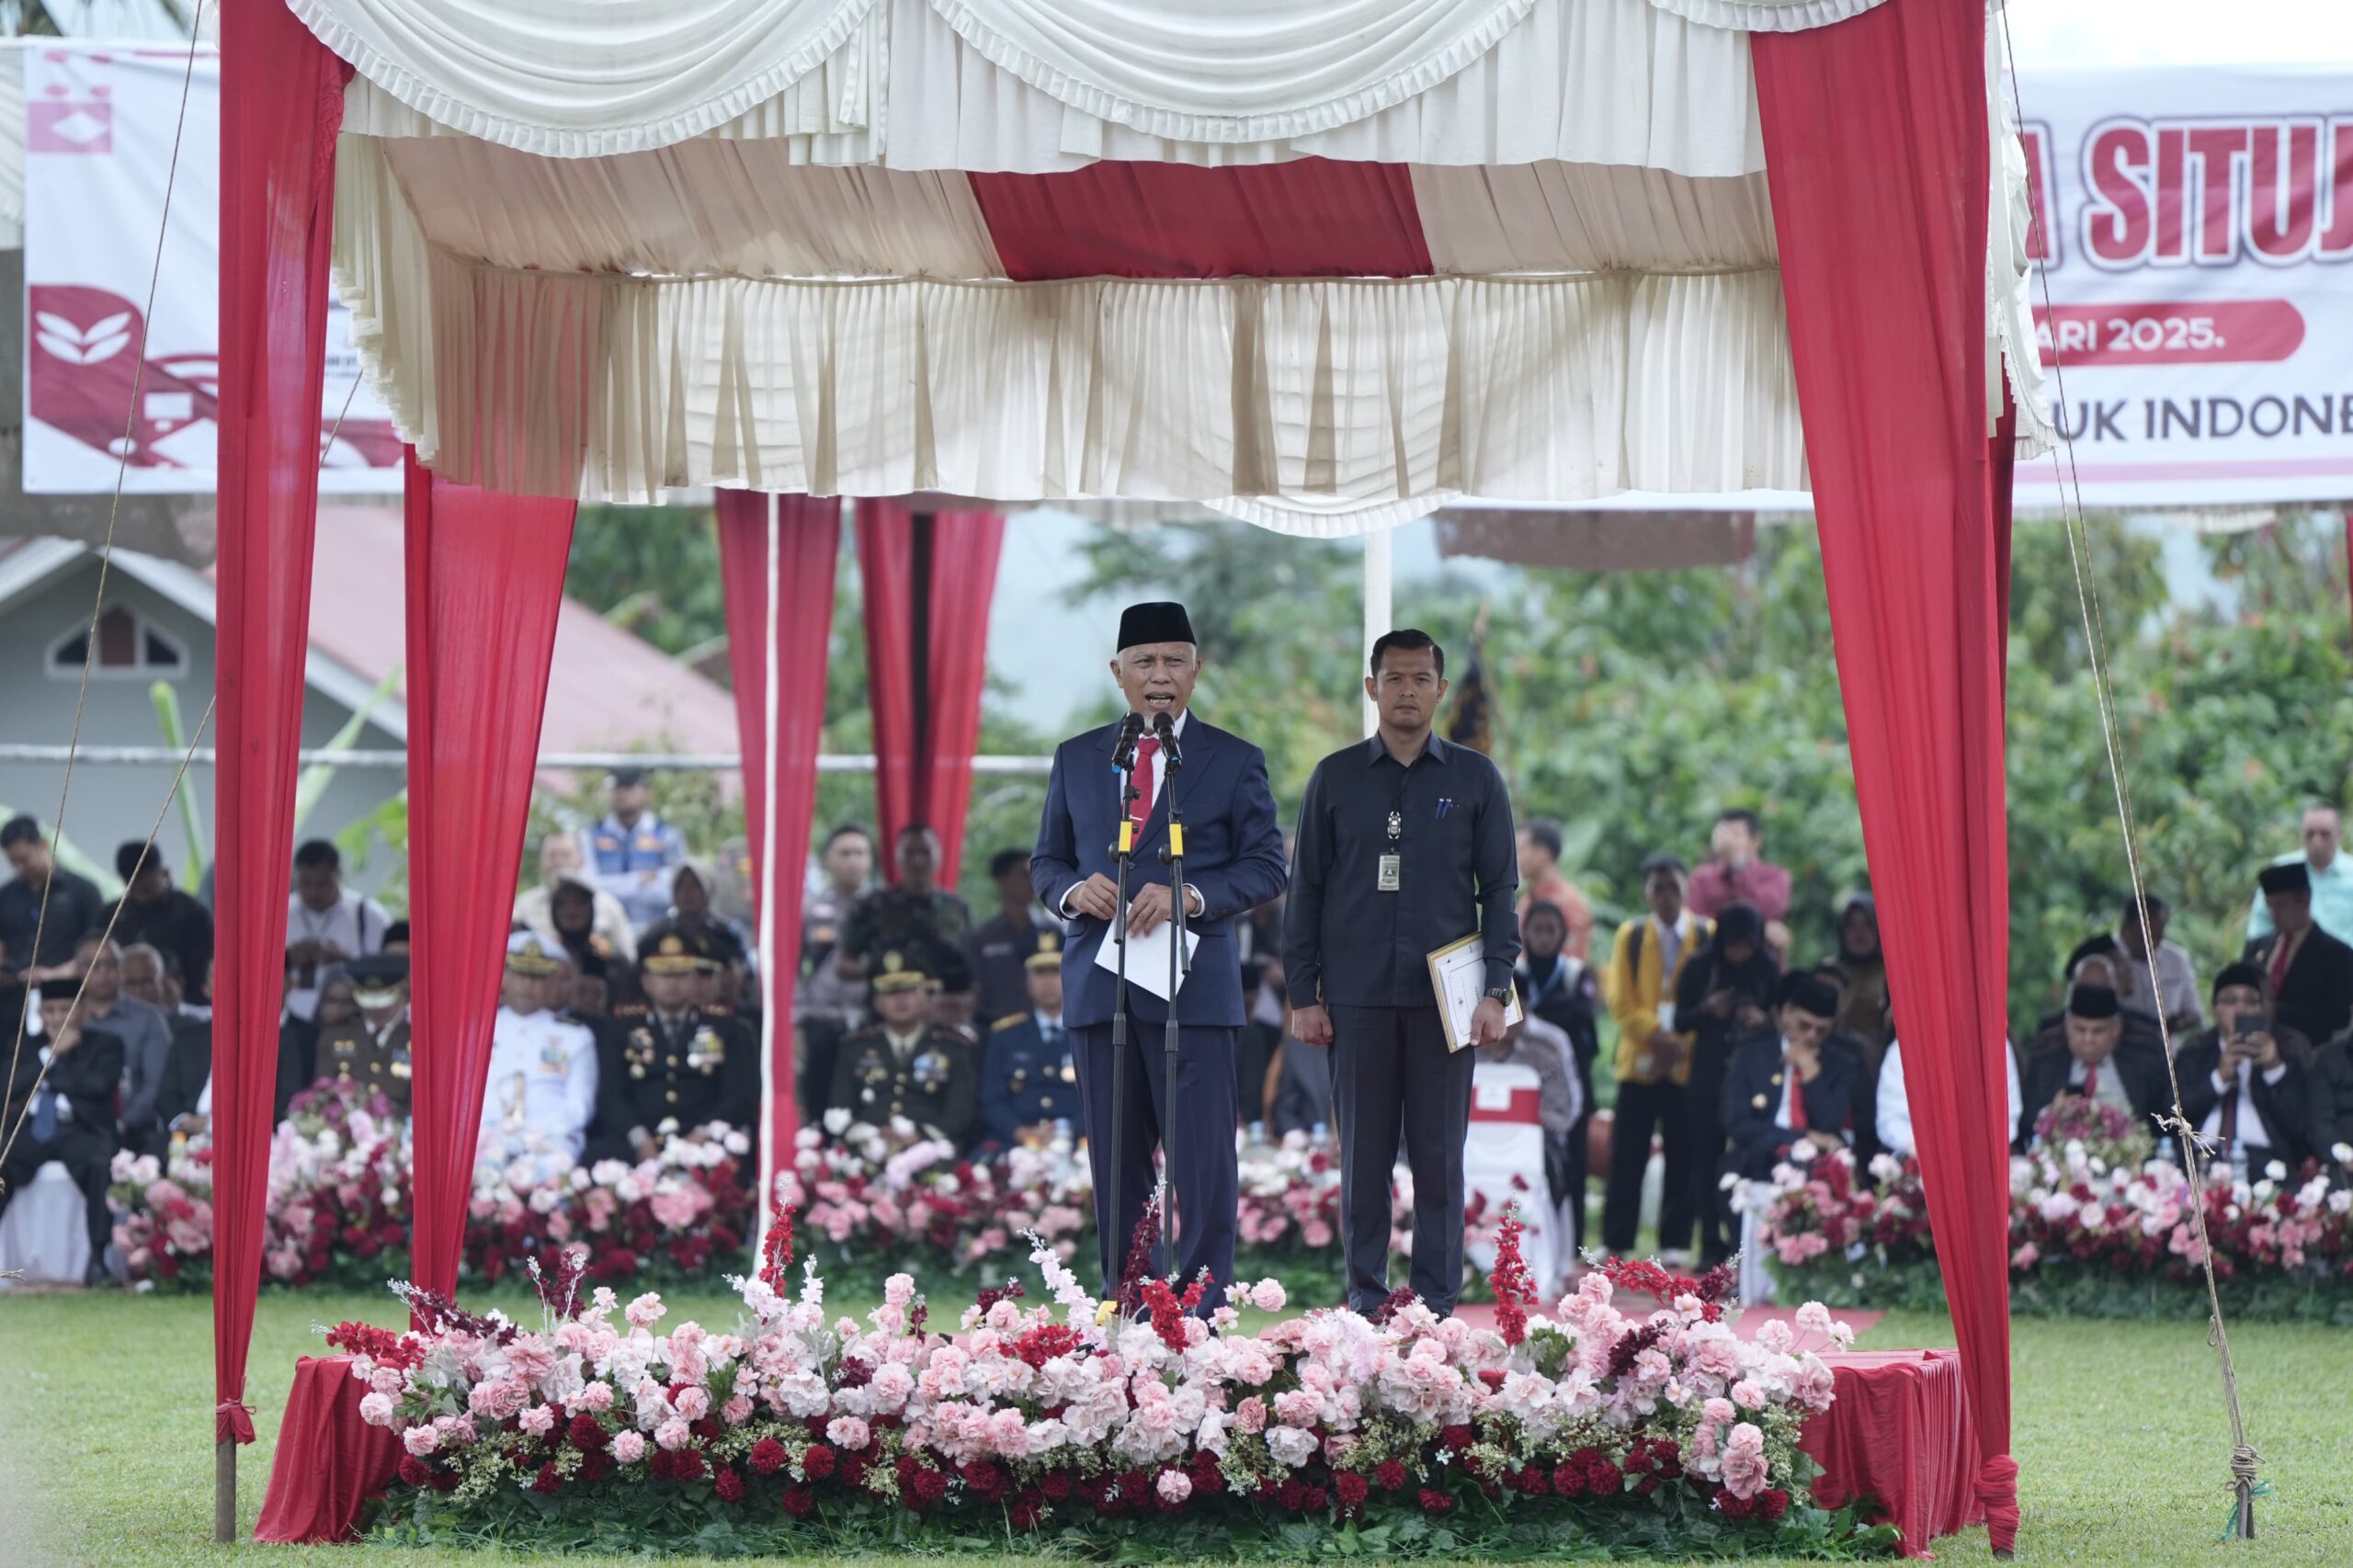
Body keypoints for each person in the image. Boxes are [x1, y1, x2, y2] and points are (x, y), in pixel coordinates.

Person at [1036, 599, 1287, 1301]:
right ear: (1117, 672)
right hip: (1099, 987)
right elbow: (1044, 863)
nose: (1160, 675)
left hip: (1194, 992)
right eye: (1144, 662)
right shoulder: (1078, 758)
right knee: (1117, 1165)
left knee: (1204, 1161)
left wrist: (1191, 896)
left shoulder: (1234, 761)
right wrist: (1071, 891)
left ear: (1198, 671)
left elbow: (1268, 866)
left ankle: (1203, 1308)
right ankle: (1134, 1302)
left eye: (1174, 660)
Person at [1286, 627, 1518, 1317]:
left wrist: (1497, 990)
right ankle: (1365, 1297)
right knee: (1364, 1161)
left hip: (1446, 1004)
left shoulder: (1476, 778)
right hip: (1354, 999)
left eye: (1421, 679)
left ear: (1441, 689)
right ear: (1372, 687)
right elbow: (1307, 891)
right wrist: (1305, 993)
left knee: (1440, 1159)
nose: (1408, 691)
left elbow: (1500, 890)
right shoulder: (1335, 777)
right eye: (1395, 678)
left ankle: (1437, 1304)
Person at [1599, 853, 1710, 1261]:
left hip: (1687, 1062)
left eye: (1672, 886)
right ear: (1646, 892)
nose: (1665, 896)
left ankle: (1676, 1242)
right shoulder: (1630, 936)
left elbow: (1711, 995)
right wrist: (1661, 1037)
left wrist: (1682, 1040)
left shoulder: (1706, 933)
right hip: (1640, 1063)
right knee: (1627, 1154)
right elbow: (1621, 1002)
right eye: (1657, 887)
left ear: (1686, 888)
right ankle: (1617, 1240)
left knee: (1683, 1151)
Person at [1672, 901, 1779, 1267]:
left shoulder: (1766, 967)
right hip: (1708, 1076)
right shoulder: (1701, 965)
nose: (1740, 953)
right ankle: (1709, 1241)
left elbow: (1783, 1018)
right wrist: (1707, 1009)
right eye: (1733, 944)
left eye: (1746, 944)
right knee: (1704, 1160)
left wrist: (1763, 1020)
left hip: (1754, 1077)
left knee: (1751, 1153)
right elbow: (1679, 1020)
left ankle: (1746, 1238)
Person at [1, 980, 126, 1286]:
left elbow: (97, 1085)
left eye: (65, 1010)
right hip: (32, 1132)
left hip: (80, 1129)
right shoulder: (26, 1046)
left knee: (100, 1163)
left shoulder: (107, 1044)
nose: (57, 1018)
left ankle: (97, 1260)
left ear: (82, 1011)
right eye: (50, 1011)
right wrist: (50, 1056)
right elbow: (9, 1088)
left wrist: (61, 1066)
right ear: (40, 1013)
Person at [603, 931, 758, 1157]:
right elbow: (610, 1095)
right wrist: (639, 1138)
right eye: (664, 975)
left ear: (694, 980)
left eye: (680, 974)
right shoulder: (622, 1027)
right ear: (646, 982)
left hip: (706, 1143)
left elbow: (737, 1095)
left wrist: (702, 1134)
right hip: (640, 1143)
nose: (672, 983)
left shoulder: (725, 1026)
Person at [2173, 962, 2329, 1173]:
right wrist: (2219, 1078)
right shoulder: (2194, 1053)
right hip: (2201, 1159)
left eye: (2250, 1001)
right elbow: (2171, 1117)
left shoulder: (2285, 1053)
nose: (2241, 1008)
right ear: (2214, 1012)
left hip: (2266, 1165)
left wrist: (2274, 1070)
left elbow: (2300, 1128)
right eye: (2230, 1000)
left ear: (2261, 1011)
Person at [1514, 900, 1601, 1250]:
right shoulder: (1513, 974)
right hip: (1519, 1084)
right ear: (1526, 933)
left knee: (1573, 1166)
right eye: (1538, 929)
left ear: (1563, 934)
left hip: (1569, 1085)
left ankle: (1573, 1245)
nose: (1545, 937)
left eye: (1552, 930)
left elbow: (1589, 1030)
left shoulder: (1576, 973)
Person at [478, 933, 599, 1177]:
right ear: (504, 977)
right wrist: (495, 1134)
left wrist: (533, 1135)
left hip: (550, 1139)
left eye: (536, 977)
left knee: (551, 1171)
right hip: (486, 1135)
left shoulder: (575, 1036)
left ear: (550, 983)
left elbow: (580, 1106)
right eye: (520, 975)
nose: (527, 985)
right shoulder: (478, 1030)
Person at [1719, 972, 1859, 1183]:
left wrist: (1810, 1070)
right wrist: (1800, 1137)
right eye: (1804, 1026)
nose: (1811, 1036)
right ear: (1786, 1014)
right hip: (1761, 1158)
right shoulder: (1751, 1056)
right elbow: (1736, 1123)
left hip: (1817, 1165)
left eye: (1821, 1031)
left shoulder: (1841, 1063)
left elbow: (1830, 1123)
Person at [825, 958, 980, 1147]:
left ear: (925, 996)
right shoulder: (854, 1048)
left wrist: (921, 1135)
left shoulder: (954, 1047)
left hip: (931, 1149)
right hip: (866, 1148)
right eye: (890, 993)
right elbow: (839, 1107)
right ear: (876, 1002)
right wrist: (869, 1135)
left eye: (909, 990)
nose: (900, 999)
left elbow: (960, 1111)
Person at [2017, 984, 2167, 1149]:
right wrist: (2051, 1113)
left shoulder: (2143, 1066)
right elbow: (2023, 1124)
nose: (2088, 1039)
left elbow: (2163, 1124)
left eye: (2098, 1031)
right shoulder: (2044, 1066)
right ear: (2067, 1026)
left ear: (2116, 1030)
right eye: (2080, 1029)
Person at [796, 824, 876, 1119]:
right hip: (822, 1019)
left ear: (870, 860)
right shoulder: (809, 909)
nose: (852, 861)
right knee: (819, 1102)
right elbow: (790, 968)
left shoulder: (881, 907)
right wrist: (797, 1017)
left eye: (860, 853)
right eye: (844, 853)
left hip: (871, 1019)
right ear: (828, 860)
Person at [837, 824, 974, 998]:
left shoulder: (957, 908)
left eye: (925, 852)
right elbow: (844, 965)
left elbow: (973, 963)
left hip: (943, 1009)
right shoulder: (873, 906)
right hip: (888, 1011)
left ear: (938, 857)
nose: (918, 860)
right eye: (910, 853)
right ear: (897, 857)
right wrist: (882, 971)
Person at [69, 935, 175, 1158]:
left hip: (134, 1131)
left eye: (111, 964)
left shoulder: (148, 1019)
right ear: (78, 969)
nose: (103, 973)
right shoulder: (64, 1017)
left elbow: (156, 1085)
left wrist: (122, 1122)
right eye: (93, 965)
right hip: (72, 1130)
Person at [2241, 861, 2353, 1048]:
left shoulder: (2337, 954)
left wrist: (2277, 1011)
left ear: (2305, 901)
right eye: (2270, 905)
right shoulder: (2257, 946)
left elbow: (2337, 1016)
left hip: (2309, 1054)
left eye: (2281, 905)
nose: (2274, 913)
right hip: (2256, 1047)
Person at [978, 942, 1077, 1151]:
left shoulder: (1088, 1035)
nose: (1048, 982)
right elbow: (991, 1099)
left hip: (1078, 1143)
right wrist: (1019, 1132)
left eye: (1055, 972)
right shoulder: (1005, 1035)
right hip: (1015, 1142)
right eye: (1040, 973)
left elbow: (1105, 1099)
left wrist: (1067, 1129)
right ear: (1027, 982)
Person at [1874, 1028, 2024, 1161]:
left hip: (1982, 1163)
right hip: (1920, 1165)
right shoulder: (1902, 1049)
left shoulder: (1995, 1044)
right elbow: (1891, 1121)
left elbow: (2007, 1117)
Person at [284, 839, 390, 1022]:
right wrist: (288, 958)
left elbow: (385, 971)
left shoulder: (368, 915)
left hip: (350, 1018)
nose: (313, 892)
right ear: (295, 877)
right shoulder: (280, 913)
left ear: (337, 875)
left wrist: (343, 960)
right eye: (306, 883)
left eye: (322, 884)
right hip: (290, 1018)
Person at [101, 842, 213, 1005]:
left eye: (145, 881)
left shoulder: (192, 913)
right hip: (124, 1004)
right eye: (132, 881)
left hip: (186, 1003)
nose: (138, 886)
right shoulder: (112, 914)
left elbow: (205, 967)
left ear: (164, 872)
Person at [0, 815, 105, 982]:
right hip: (12, 995)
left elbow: (98, 950)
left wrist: (53, 974)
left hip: (65, 993)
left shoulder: (83, 891)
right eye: (13, 863)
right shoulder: (5, 896)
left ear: (42, 845)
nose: (19, 869)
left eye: (24, 860)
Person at [308, 952, 414, 1116]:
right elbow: (322, 1093)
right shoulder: (335, 1035)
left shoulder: (416, 1040)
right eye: (369, 1002)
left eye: (383, 1002)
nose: (376, 1009)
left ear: (402, 993)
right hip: (345, 1131)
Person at [584, 767, 688, 929]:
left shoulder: (667, 835)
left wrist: (610, 887)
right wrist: (639, 880)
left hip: (657, 929)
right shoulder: (591, 835)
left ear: (647, 792)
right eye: (616, 788)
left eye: (629, 787)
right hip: (605, 929)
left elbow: (672, 891)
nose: (622, 794)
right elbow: (588, 886)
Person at [514, 834, 638, 963]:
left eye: (566, 855)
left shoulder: (607, 904)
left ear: (581, 860)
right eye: (552, 855)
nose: (559, 861)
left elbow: (628, 955)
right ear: (542, 862)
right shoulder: (524, 905)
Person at [966, 848, 1052, 1025]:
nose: (1032, 880)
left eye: (1034, 873)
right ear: (1002, 880)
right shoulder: (982, 938)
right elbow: (974, 991)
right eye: (1023, 874)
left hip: (1043, 1032)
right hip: (995, 1031)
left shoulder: (1052, 931)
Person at [2245, 802, 2353, 945]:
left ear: (2339, 835)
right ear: (2301, 834)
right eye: (2310, 834)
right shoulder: (2282, 871)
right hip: (2292, 963)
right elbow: (2260, 926)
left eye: (2325, 834)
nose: (2317, 842)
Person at [1686, 809, 1793, 934]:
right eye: (1721, 833)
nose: (1727, 840)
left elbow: (1769, 911)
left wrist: (1739, 865)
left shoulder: (1776, 876)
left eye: (1735, 834)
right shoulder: (1701, 877)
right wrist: (1762, 929)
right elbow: (1695, 921)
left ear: (1755, 841)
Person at [2115, 893, 2203, 1035]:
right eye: (2143, 938)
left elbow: (2195, 1014)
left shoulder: (2177, 959)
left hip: (2164, 1051)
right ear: (2125, 927)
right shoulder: (2102, 959)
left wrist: (2173, 1025)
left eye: (2157, 938)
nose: (2151, 945)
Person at [1514, 819, 1593, 961]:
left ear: (1543, 853)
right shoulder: (1526, 901)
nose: (1516, 858)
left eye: (1521, 850)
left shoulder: (1571, 904)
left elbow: (1573, 962)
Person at [1822, 893, 1889, 1051]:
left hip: (1879, 1062)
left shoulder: (1892, 975)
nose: (1859, 933)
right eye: (1852, 925)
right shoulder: (1829, 971)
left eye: (1868, 925)